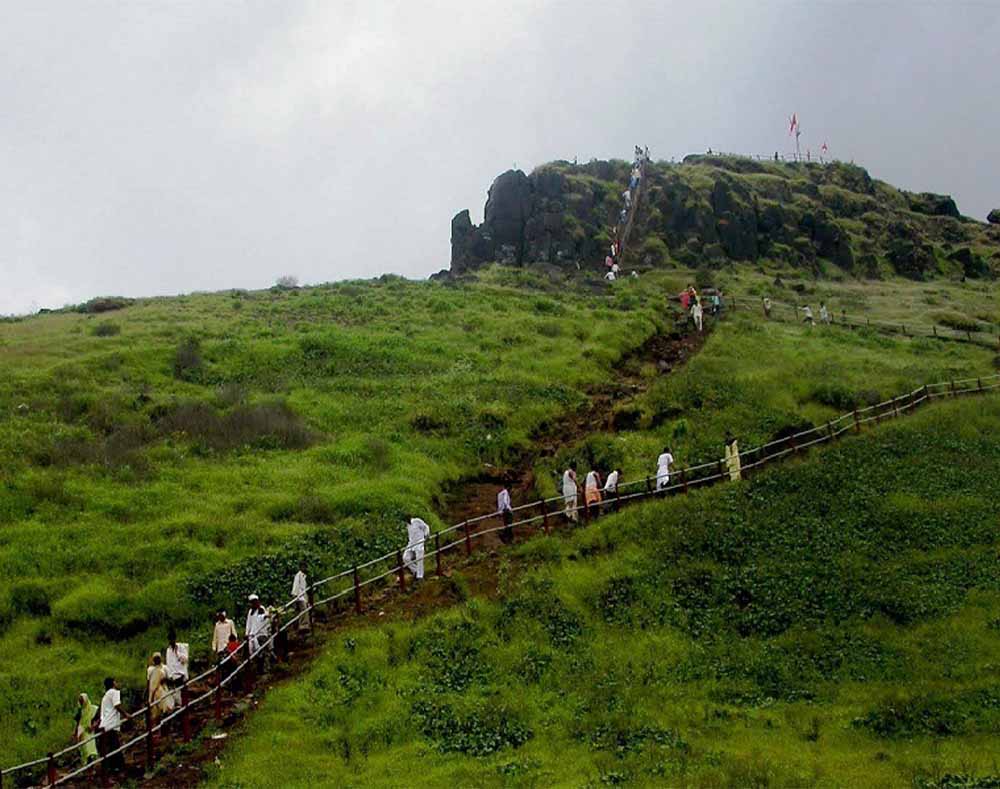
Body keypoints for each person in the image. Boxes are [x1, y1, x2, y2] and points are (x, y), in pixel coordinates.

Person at [98, 677, 130, 778]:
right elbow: (117, 705)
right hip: (111, 725)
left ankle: (111, 769)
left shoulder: (105, 696)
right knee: (115, 747)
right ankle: (118, 769)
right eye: (115, 681)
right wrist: (126, 715)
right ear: (112, 683)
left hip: (104, 725)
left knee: (110, 748)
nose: (117, 683)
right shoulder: (114, 692)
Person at [72, 693, 99, 765]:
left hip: (91, 731)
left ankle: (92, 764)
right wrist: (75, 732)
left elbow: (99, 718)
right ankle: (87, 765)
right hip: (82, 732)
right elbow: (78, 722)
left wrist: (93, 726)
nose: (81, 702)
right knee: (84, 749)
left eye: (82, 700)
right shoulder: (80, 711)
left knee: (90, 748)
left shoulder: (94, 709)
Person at [147, 653, 173, 725]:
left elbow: (170, 679)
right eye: (155, 658)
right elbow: (149, 682)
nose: (157, 660)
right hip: (153, 692)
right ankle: (157, 727)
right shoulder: (150, 669)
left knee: (166, 708)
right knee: (155, 710)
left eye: (158, 658)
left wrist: (164, 680)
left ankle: (165, 726)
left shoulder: (165, 668)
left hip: (163, 690)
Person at [165, 630, 189, 707]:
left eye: (172, 639)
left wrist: (177, 653)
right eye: (170, 639)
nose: (171, 641)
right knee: (175, 695)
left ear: (175, 639)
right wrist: (170, 676)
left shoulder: (181, 647)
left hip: (181, 674)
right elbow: (169, 664)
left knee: (183, 694)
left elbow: (185, 660)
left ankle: (185, 709)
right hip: (173, 676)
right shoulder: (168, 650)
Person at [404, 516, 431, 580]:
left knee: (419, 559)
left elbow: (426, 527)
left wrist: (427, 535)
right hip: (411, 543)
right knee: (405, 558)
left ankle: (420, 576)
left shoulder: (417, 521)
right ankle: (415, 570)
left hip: (420, 542)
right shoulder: (408, 526)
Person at [245, 594, 271, 658]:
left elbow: (264, 618)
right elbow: (248, 622)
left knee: (261, 652)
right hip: (252, 634)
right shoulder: (250, 611)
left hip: (261, 634)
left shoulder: (261, 609)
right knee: (251, 651)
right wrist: (246, 633)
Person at [292, 562, 310, 632]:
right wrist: (295, 596)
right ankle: (303, 625)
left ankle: (303, 625)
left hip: (303, 596)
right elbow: (295, 586)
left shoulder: (304, 576)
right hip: (299, 596)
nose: (305, 568)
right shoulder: (298, 575)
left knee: (304, 610)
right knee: (303, 610)